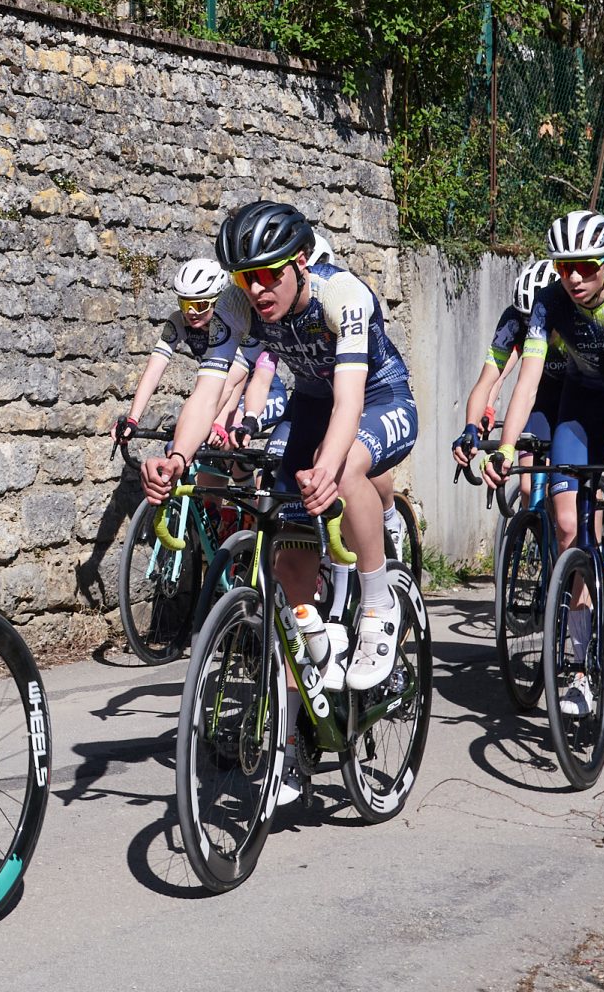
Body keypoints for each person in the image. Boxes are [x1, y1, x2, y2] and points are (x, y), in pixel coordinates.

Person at [140, 201, 418, 798]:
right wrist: (178, 457)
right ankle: (295, 727)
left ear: (300, 263)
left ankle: (378, 605)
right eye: (247, 277)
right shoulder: (237, 305)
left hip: (379, 397)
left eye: (270, 275)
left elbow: (350, 402)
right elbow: (207, 389)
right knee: (290, 567)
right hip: (312, 406)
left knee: (345, 470)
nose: (258, 289)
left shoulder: (343, 295)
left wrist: (326, 467)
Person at [482, 210, 604, 719]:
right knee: (569, 529)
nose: (573, 277)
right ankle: (579, 670)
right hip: (584, 399)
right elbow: (528, 380)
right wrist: (506, 447)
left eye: (586, 266)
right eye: (564, 266)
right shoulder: (549, 303)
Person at [112, 257, 287, 448]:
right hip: (221, 394)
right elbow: (154, 370)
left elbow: (233, 382)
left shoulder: (238, 322)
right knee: (190, 450)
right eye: (184, 304)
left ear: (219, 301)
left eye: (200, 305)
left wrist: (218, 423)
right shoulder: (179, 321)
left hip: (263, 394)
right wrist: (133, 419)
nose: (191, 312)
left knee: (225, 443)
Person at [450, 258, 563, 501]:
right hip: (540, 398)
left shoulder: (572, 323)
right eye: (526, 319)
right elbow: (491, 379)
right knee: (528, 489)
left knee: (570, 491)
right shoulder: (513, 321)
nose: (532, 327)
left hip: (577, 397)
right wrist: (474, 425)